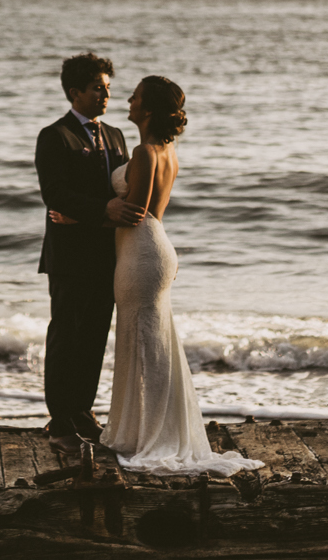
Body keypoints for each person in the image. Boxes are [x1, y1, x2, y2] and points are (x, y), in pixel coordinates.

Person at [100, 75, 260, 476]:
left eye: (135, 97)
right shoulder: (167, 152)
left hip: (140, 251)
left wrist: (92, 213)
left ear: (148, 109)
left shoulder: (143, 152)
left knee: (142, 343)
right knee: (152, 344)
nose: (129, 101)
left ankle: (150, 435)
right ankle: (149, 429)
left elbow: (134, 212)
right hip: (156, 247)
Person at [34, 52, 134, 450]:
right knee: (66, 335)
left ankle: (82, 411)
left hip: (107, 253)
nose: (105, 95)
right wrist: (99, 210)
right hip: (70, 257)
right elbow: (55, 194)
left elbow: (120, 189)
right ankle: (59, 422)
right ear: (75, 92)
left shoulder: (115, 135)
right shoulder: (55, 136)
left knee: (94, 336)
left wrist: (100, 216)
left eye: (108, 88)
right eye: (98, 88)